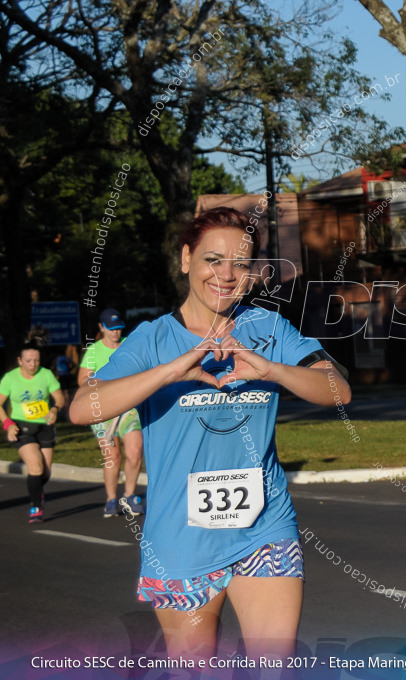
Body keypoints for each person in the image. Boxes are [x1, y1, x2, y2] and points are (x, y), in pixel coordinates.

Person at [69, 207, 351, 662]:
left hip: (264, 528)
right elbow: (83, 407)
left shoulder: (269, 329)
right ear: (186, 259)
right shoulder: (152, 339)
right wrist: (169, 373)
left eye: (240, 264)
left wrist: (273, 370)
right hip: (179, 539)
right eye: (212, 260)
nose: (225, 274)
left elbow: (339, 389)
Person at [79, 307, 145, 517]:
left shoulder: (129, 345)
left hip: (129, 407)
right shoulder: (94, 351)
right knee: (112, 456)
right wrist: (104, 384)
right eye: (111, 329)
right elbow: (82, 380)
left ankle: (130, 495)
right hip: (103, 411)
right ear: (102, 327)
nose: (116, 333)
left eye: (119, 328)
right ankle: (111, 498)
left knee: (135, 452)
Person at [1, 343, 65, 523]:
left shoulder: (46, 374)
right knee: (35, 466)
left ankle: (37, 491)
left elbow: (60, 397)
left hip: (45, 426)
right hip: (22, 427)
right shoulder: (10, 378)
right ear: (20, 361)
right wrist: (8, 424)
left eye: (36, 360)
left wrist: (54, 409)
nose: (33, 364)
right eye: (28, 360)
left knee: (45, 472)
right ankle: (36, 506)